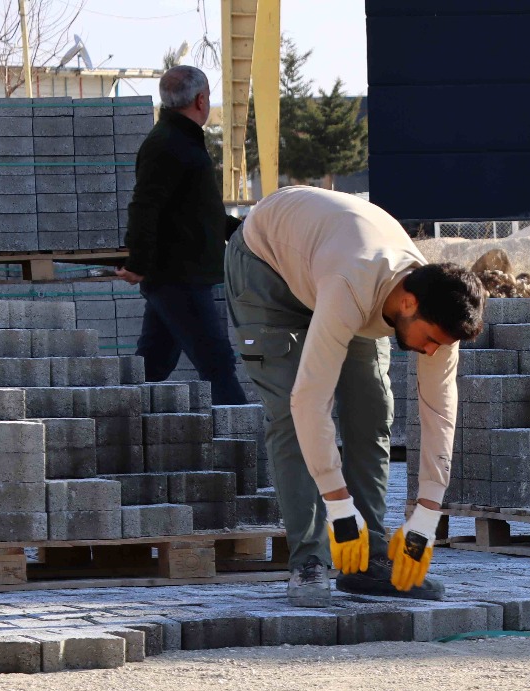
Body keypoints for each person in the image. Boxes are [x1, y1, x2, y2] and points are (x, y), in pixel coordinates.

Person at [223, 186, 485, 606]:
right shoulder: (352, 283)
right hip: (267, 265)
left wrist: (427, 513)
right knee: (293, 413)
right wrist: (338, 506)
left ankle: (367, 560)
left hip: (330, 260)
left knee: (371, 408)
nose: (433, 351)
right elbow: (310, 400)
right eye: (432, 340)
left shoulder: (439, 309)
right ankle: (308, 561)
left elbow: (439, 411)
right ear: (407, 302)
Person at [117, 65, 249, 406]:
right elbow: (145, 206)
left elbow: (197, 210)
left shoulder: (180, 140)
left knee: (153, 364)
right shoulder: (168, 144)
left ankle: (119, 427)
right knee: (217, 364)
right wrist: (139, 262)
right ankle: (248, 452)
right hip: (179, 276)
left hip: (178, 274)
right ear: (201, 100)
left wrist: (246, 232)